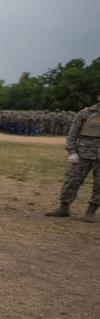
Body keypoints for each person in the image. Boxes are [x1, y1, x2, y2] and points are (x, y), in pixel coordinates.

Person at [45, 89, 100, 222]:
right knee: (71, 180)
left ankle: (91, 211)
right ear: (98, 97)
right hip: (82, 154)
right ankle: (64, 207)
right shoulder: (85, 113)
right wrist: (72, 151)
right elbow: (73, 133)